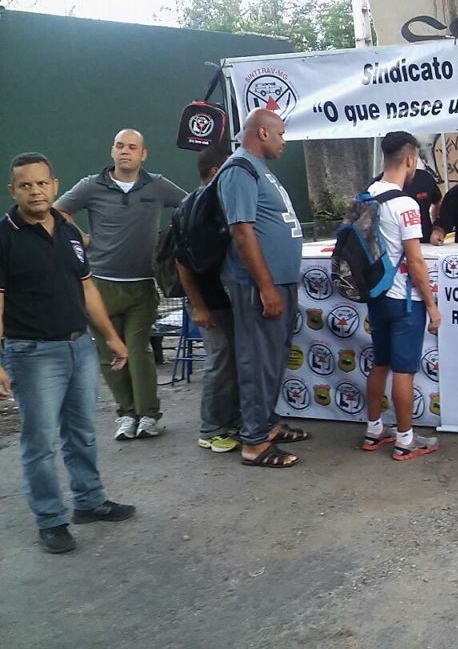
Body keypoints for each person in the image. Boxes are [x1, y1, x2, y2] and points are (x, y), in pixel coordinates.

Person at [1, 152, 136, 554]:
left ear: (55, 186)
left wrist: (110, 337)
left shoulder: (68, 229)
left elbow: (87, 287)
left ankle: (89, 501)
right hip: (32, 353)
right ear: (13, 190)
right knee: (40, 441)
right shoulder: (4, 237)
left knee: (82, 432)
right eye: (26, 185)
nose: (35, 191)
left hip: (80, 346)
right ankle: (51, 519)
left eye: (42, 183)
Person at [55, 129, 186, 441]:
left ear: (143, 154)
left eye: (132, 147)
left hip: (143, 285)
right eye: (119, 146)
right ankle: (126, 415)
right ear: (112, 151)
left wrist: (173, 240)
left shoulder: (157, 185)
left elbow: (191, 204)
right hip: (100, 286)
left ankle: (148, 416)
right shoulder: (91, 185)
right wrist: (82, 239)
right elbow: (58, 211)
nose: (125, 151)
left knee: (138, 351)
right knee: (109, 354)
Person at [218, 108, 309, 468]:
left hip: (278, 282)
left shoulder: (259, 169)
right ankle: (254, 442)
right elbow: (241, 231)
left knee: (272, 360)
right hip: (257, 286)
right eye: (281, 134)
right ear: (263, 132)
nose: (284, 141)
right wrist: (266, 286)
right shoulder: (239, 169)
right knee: (257, 361)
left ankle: (267, 425)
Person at [361, 131, 442, 461]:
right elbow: (416, 261)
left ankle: (374, 429)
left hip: (375, 295)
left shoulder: (366, 194)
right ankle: (405, 439)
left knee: (380, 363)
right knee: (403, 370)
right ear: (410, 159)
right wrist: (432, 306)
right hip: (404, 300)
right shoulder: (405, 204)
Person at [175, 144, 242, 454]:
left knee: (233, 360)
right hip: (210, 301)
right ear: (216, 172)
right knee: (220, 360)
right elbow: (183, 262)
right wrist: (198, 306)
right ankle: (212, 429)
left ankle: (232, 419)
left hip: (226, 299)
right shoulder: (192, 209)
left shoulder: (216, 205)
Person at [372, 160, 441, 243]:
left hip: (425, 241)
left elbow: (438, 201)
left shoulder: (425, 178)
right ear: (410, 160)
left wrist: (437, 228)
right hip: (393, 246)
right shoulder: (374, 189)